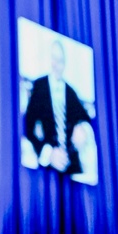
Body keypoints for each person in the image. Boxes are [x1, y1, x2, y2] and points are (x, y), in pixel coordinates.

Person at [22, 39, 92, 175]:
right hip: (47, 164)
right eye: (54, 59)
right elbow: (27, 126)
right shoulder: (39, 86)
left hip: (71, 164)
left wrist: (83, 127)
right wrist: (48, 153)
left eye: (60, 60)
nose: (57, 65)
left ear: (64, 63)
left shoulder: (71, 92)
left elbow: (86, 119)